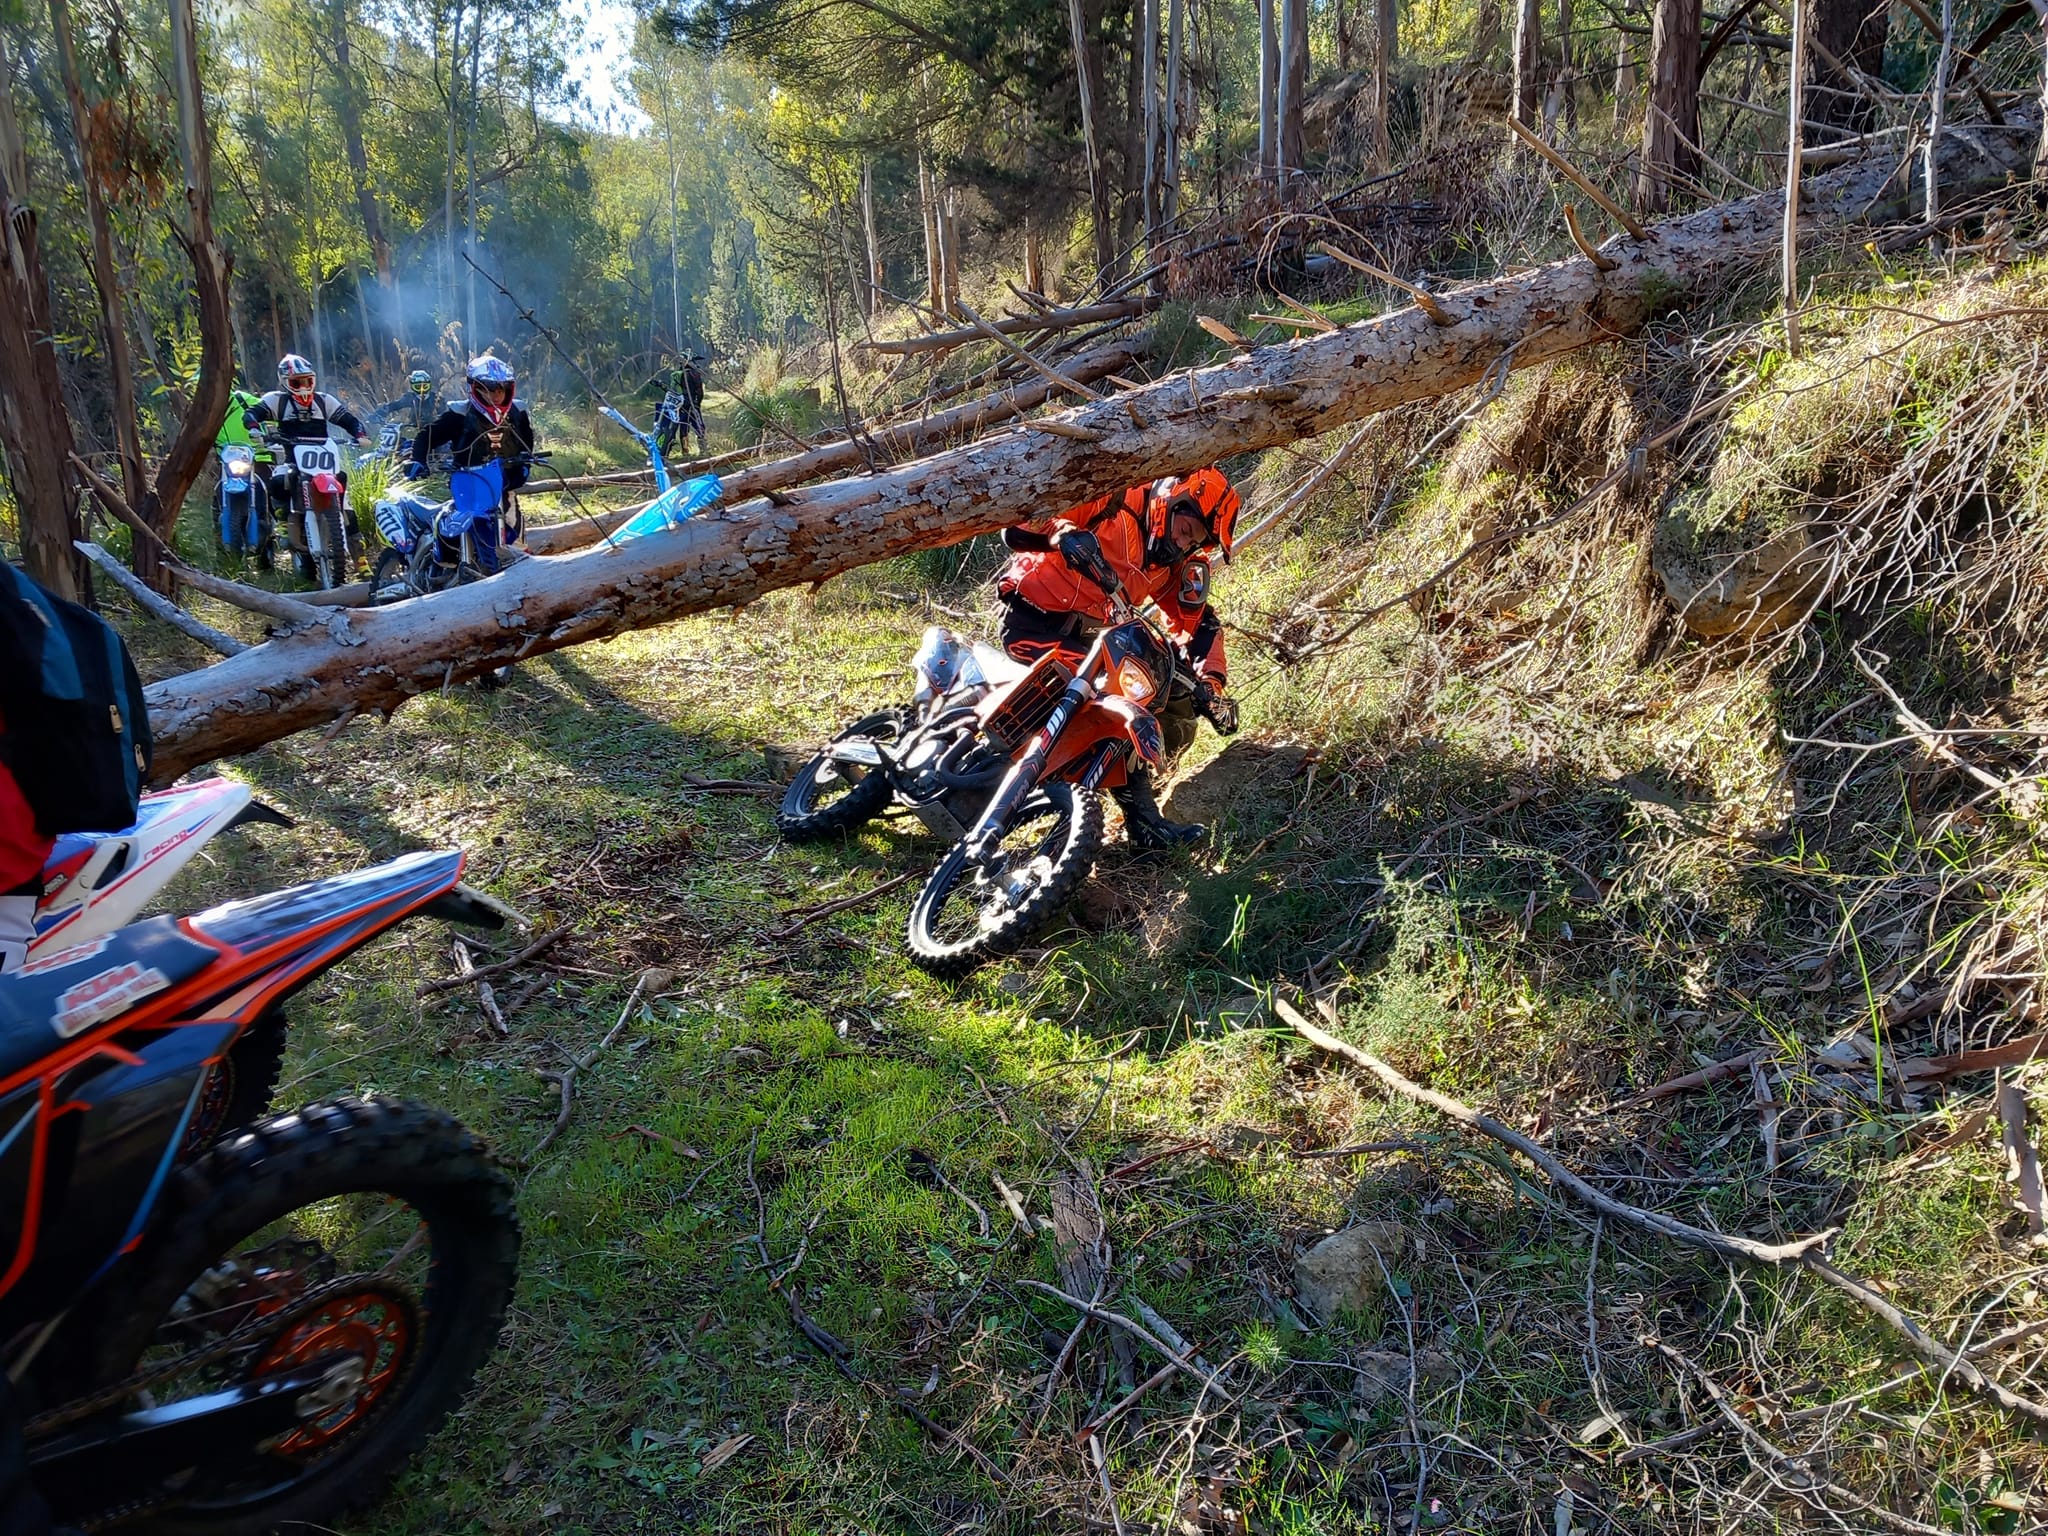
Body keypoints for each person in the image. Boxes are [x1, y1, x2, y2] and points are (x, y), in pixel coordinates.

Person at [996, 467, 1242, 848]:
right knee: (1112, 699)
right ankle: (1122, 816)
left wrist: (1211, 686)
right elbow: (1018, 528)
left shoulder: (1171, 564)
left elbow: (1199, 624)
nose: (1183, 544)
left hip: (1089, 644)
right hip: (1032, 622)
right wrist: (1062, 535)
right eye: (1185, 530)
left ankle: (1138, 822)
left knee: (1144, 698)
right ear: (1172, 500)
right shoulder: (1113, 496)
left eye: (1195, 541)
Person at [242, 354, 371, 566]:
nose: (303, 387)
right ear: (285, 382)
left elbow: (349, 420)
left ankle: (360, 559)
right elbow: (252, 413)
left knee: (344, 493)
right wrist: (254, 427)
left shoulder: (324, 400)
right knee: (278, 481)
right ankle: (284, 523)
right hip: (293, 460)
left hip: (324, 464)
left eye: (307, 381)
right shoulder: (277, 401)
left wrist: (360, 434)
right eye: (296, 382)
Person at [407, 354, 537, 492]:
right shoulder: (460, 414)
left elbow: (527, 440)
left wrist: (525, 464)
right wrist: (418, 460)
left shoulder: (517, 412)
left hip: (508, 483)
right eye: (490, 389)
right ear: (475, 388)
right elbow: (426, 437)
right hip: (469, 484)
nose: (497, 395)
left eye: (502, 390)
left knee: (508, 505)